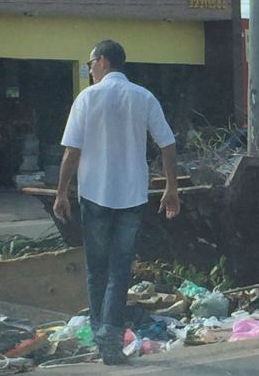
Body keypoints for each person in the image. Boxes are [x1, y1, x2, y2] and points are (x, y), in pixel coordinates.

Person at [53, 40, 180, 364]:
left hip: (94, 195)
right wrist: (171, 189)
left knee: (97, 269)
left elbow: (72, 151)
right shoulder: (143, 97)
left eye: (90, 62)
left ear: (104, 61)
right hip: (131, 197)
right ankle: (108, 336)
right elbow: (167, 144)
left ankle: (104, 337)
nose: (89, 68)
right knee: (119, 270)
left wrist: (61, 192)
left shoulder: (87, 98)